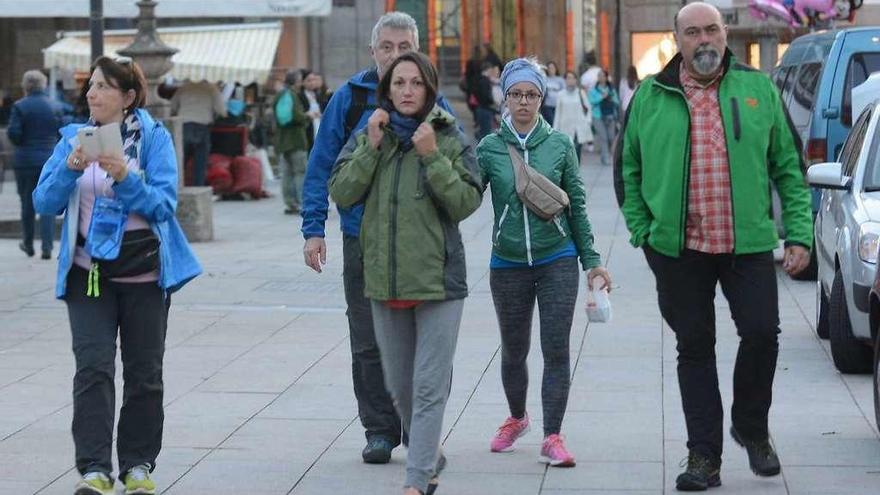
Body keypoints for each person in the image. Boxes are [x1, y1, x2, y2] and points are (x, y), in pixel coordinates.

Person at [615, 2, 813, 491]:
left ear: (724, 35)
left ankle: (751, 427)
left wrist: (800, 234)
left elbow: (789, 167)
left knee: (763, 334)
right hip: (678, 251)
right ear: (677, 40)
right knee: (695, 347)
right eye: (692, 33)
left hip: (746, 244)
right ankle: (704, 456)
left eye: (712, 31)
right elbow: (628, 170)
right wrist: (645, 234)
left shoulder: (758, 89)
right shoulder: (650, 95)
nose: (704, 40)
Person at [33, 56, 201, 495]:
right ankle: (94, 470)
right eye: (91, 86)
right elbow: (43, 203)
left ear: (128, 98)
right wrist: (70, 169)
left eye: (104, 87)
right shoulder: (73, 138)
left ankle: (137, 466)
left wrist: (125, 176)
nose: (92, 94)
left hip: (144, 276)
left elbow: (164, 206)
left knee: (145, 373)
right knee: (93, 369)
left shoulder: (154, 140)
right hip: (87, 276)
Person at [300, 11, 456, 465]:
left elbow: (462, 169)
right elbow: (321, 164)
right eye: (386, 47)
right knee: (368, 339)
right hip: (362, 238)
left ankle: (420, 429)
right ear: (373, 52)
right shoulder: (349, 99)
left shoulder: (433, 101)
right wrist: (314, 229)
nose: (394, 56)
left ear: (417, 49)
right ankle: (379, 430)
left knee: (427, 343)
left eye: (404, 48)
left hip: (420, 243)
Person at [330, 50, 483, 495]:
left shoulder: (449, 135)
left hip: (438, 283)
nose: (407, 90)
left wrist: (433, 157)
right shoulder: (370, 135)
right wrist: (371, 149)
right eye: (399, 83)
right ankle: (428, 453)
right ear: (387, 89)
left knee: (429, 386)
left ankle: (417, 480)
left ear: (429, 88)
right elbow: (342, 191)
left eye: (416, 82)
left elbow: (466, 203)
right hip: (384, 281)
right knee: (400, 388)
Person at [476, 57, 612, 468]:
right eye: (516, 94)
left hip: (557, 259)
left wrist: (592, 261)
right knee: (514, 350)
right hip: (508, 262)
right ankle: (517, 418)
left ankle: (553, 435)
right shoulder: (489, 148)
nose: (523, 102)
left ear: (541, 97)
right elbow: (464, 199)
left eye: (531, 95)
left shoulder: (559, 145)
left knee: (556, 349)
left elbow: (578, 207)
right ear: (505, 97)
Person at [7, 70, 61, 260]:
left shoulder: (19, 106)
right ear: (43, 85)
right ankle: (47, 247)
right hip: (48, 160)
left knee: (27, 203)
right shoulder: (54, 106)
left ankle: (28, 244)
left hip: (25, 162)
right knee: (47, 203)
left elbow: (14, 133)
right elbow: (61, 131)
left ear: (25, 86)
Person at [170, 79, 227, 186]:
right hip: (203, 127)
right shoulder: (212, 89)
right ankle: (198, 188)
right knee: (200, 164)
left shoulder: (183, 87)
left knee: (179, 161)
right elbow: (222, 111)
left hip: (184, 126)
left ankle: (175, 187)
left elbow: (172, 107)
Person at [273, 70, 309, 215]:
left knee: (286, 174)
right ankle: (301, 202)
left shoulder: (279, 95)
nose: (301, 82)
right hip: (295, 139)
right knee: (300, 172)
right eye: (300, 80)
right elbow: (296, 116)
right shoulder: (292, 95)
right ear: (295, 81)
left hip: (282, 141)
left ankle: (289, 203)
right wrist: (307, 116)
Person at [552, 70, 592, 162]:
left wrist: (587, 121)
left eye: (573, 78)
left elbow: (588, 108)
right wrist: (555, 129)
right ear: (565, 80)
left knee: (577, 150)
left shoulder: (580, 93)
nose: (571, 80)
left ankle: (576, 172)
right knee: (567, 152)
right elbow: (558, 113)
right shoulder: (560, 94)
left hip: (578, 127)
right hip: (565, 127)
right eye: (568, 78)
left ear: (576, 80)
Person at [588, 69, 619, 165]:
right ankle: (605, 158)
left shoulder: (611, 89)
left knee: (611, 137)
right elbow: (591, 101)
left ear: (606, 77)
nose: (600, 77)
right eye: (599, 76)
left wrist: (610, 97)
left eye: (602, 75)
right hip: (598, 116)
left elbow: (617, 102)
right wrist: (602, 97)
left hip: (610, 116)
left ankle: (604, 156)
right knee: (603, 137)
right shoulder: (593, 90)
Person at [473, 61, 499, 141]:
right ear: (488, 70)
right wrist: (493, 102)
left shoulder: (478, 79)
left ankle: (479, 137)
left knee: (484, 131)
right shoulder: (485, 81)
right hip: (486, 109)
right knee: (486, 134)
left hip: (480, 108)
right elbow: (486, 97)